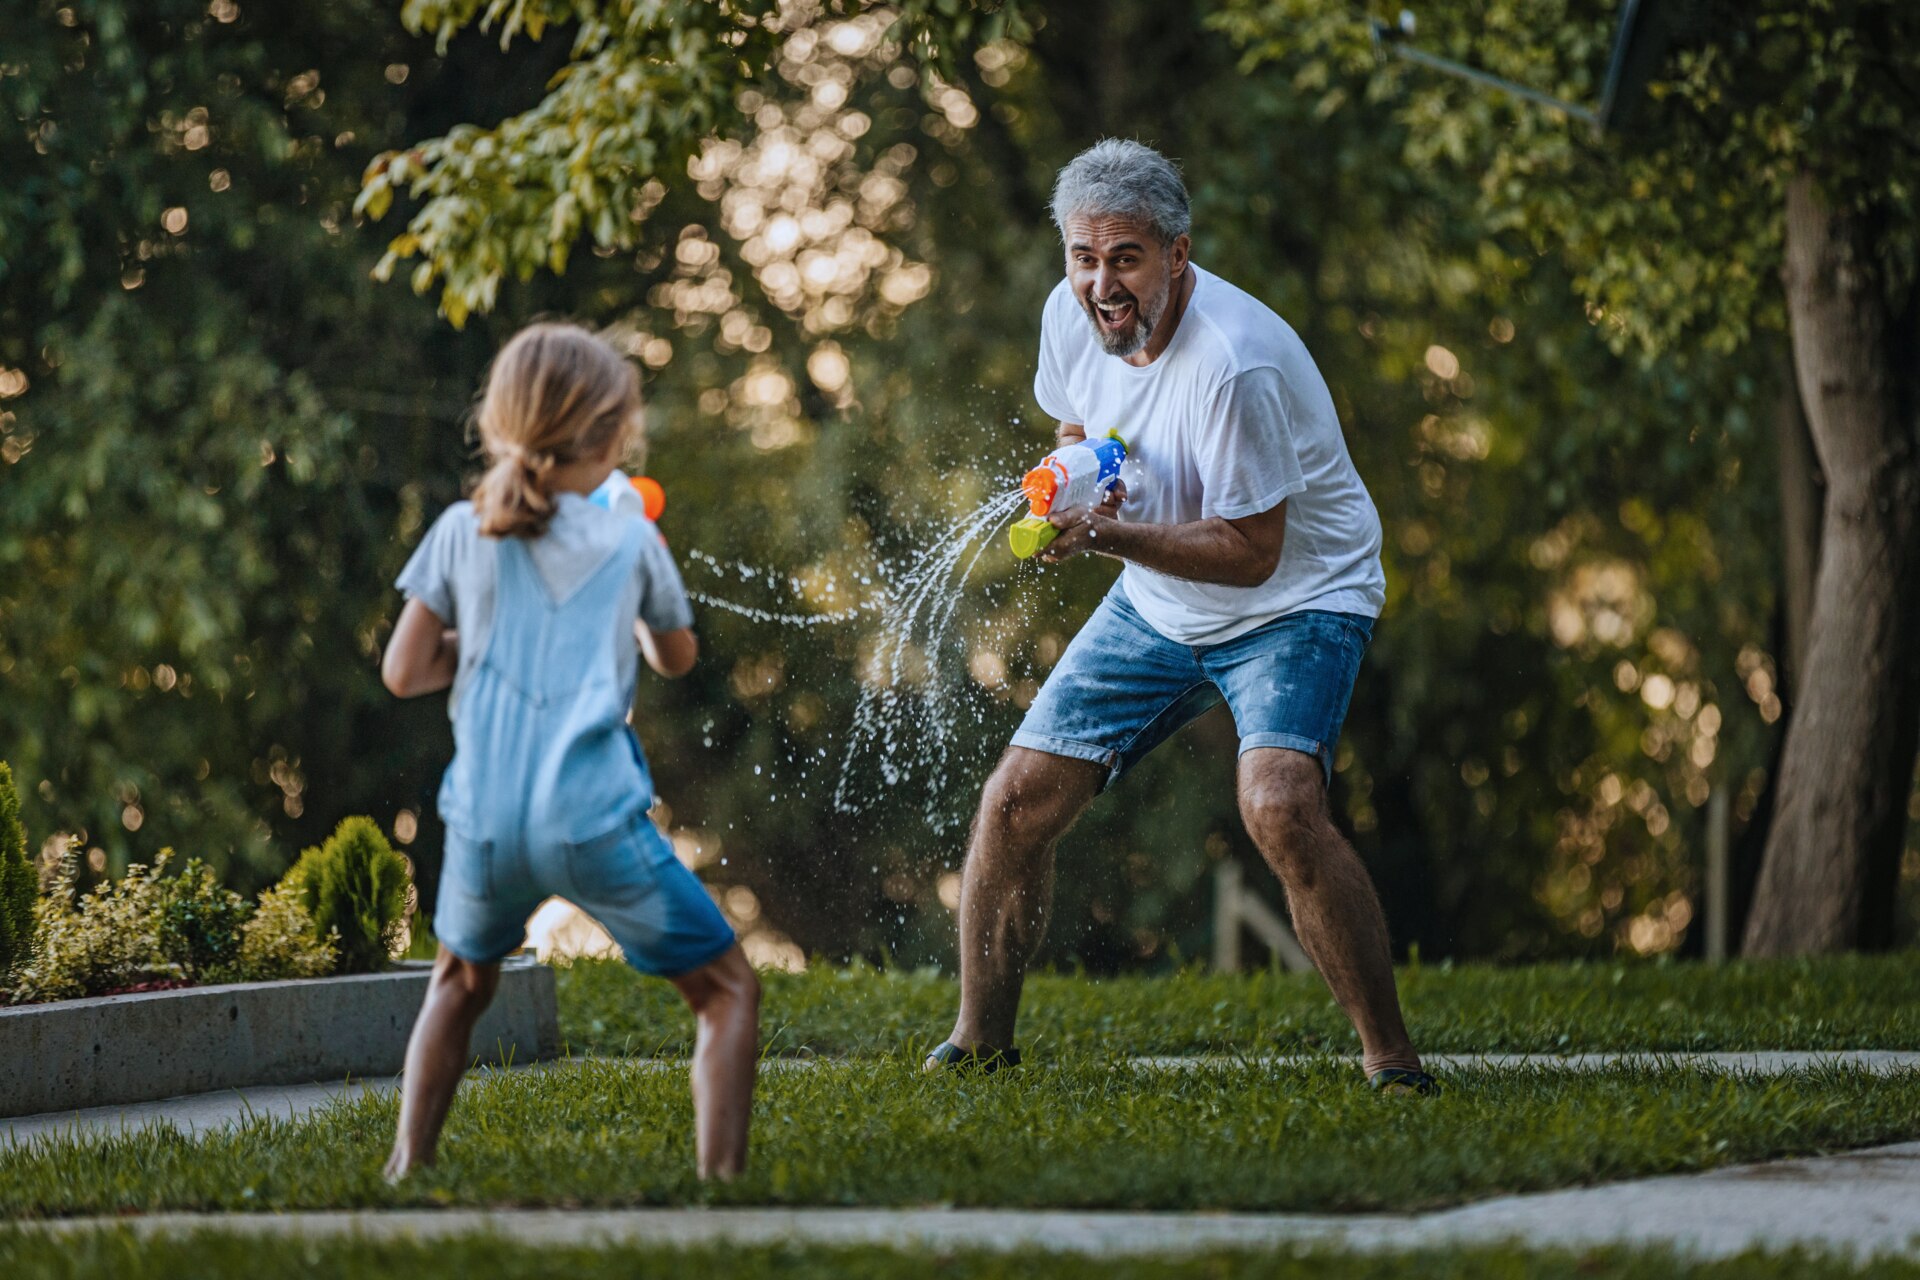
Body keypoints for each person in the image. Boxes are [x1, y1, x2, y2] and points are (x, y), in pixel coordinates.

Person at [926, 140, 1433, 1094]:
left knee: (1279, 807)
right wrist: (1077, 481)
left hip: (1296, 599)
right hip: (1163, 599)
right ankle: (979, 1045)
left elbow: (1252, 552)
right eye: (1084, 257)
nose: (1101, 282)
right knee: (1014, 802)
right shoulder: (1071, 317)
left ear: (1177, 255)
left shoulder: (1234, 365)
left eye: (1125, 258)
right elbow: (1081, 430)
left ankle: (1392, 1062)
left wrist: (1112, 542)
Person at [381, 322, 761, 1180]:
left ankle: (408, 1168)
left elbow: (405, 671)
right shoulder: (632, 540)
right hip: (594, 826)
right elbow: (676, 656)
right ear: (608, 434)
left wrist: (478, 651)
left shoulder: (456, 528)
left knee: (457, 986)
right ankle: (722, 1187)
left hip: (482, 825)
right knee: (729, 990)